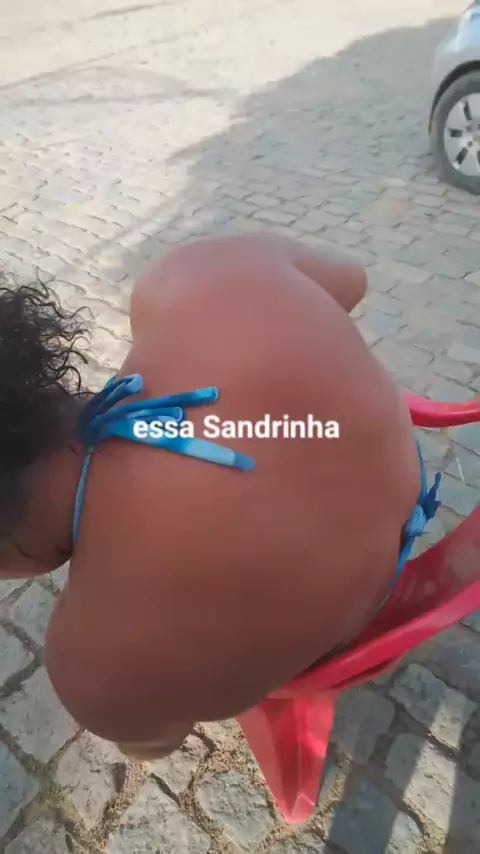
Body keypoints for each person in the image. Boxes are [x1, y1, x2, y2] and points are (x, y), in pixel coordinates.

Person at [0, 233, 440, 760]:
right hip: (406, 493)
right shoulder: (194, 274)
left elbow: (157, 742)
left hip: (349, 629)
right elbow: (352, 280)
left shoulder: (93, 672)